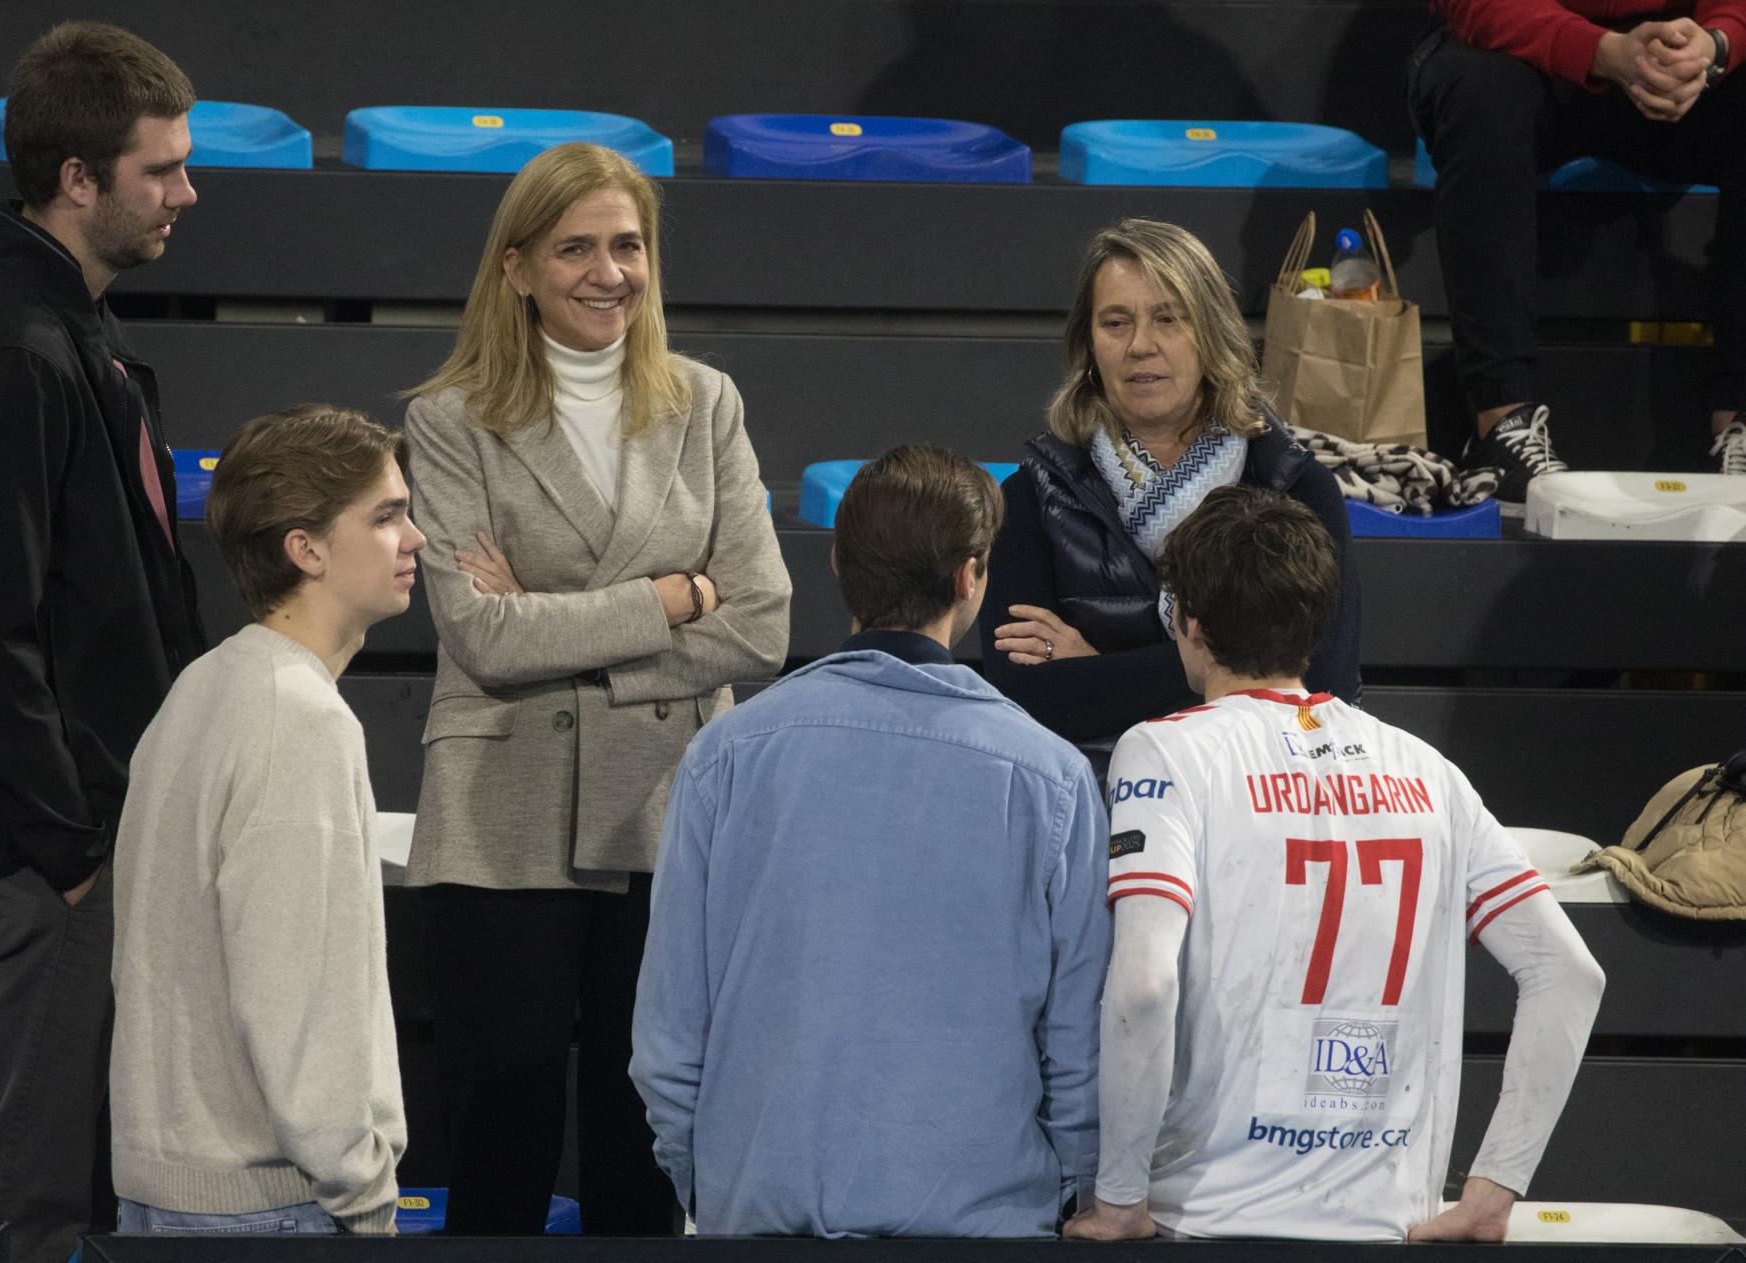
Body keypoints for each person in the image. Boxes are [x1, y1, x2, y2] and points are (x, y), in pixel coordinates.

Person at [401, 141, 791, 1235]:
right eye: (576, 248)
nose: (608, 271)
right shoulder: (450, 417)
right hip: (500, 822)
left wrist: (554, 623)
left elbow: (762, 623)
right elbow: (480, 634)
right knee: (500, 1148)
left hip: (664, 815)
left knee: (644, 1148)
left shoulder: (706, 402)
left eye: (627, 247)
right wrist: (669, 597)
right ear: (517, 266)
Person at [1063, 485, 1603, 1244]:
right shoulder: (1428, 770)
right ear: (1315, 623)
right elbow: (1572, 973)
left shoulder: (1167, 750)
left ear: (1186, 620)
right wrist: (1492, 1190)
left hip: (1211, 1222)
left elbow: (1145, 984)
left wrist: (1118, 1198)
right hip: (1389, 1227)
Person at [0, 22, 202, 1262]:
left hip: (77, 835)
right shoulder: (10, 355)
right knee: (27, 1197)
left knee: (72, 1189)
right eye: (160, 169)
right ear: (77, 177)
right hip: (41, 854)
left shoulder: (70, 332)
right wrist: (73, 853)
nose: (189, 190)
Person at [631, 445, 1110, 1237]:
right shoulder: (1050, 777)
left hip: (760, 1214)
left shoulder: (725, 754)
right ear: (971, 576)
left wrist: (718, 1185)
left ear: (835, 563)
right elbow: (1079, 1052)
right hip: (986, 1226)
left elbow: (669, 1041)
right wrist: (1068, 1188)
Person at [108, 406, 413, 1236]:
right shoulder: (297, 717)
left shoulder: (201, 688)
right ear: (304, 548)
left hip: (172, 1190)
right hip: (268, 1207)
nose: (414, 537)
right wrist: (363, 1192)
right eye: (385, 516)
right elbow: (296, 994)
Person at [979, 219, 1361, 775]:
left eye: (1168, 319)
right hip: (1092, 804)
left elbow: (1322, 687)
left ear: (1212, 334)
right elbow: (1028, 696)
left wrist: (1102, 667)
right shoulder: (1034, 496)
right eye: (1115, 322)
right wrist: (1227, 670)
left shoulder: (1294, 487)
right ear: (1087, 344)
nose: (1140, 345)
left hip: (1260, 794)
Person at [1412, 1, 1746, 500]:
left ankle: (1738, 421)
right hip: (1524, 56)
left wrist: (1713, 46)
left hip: (1675, 65)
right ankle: (1503, 425)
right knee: (1477, 85)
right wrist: (1604, 51)